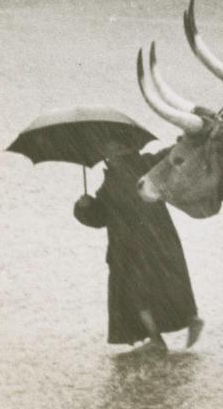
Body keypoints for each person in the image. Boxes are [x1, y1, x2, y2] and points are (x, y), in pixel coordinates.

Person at [73, 144, 203, 353]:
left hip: (137, 246)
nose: (109, 153)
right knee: (161, 285)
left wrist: (185, 142)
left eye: (113, 149)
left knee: (141, 293)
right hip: (147, 243)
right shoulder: (116, 180)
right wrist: (85, 207)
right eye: (107, 150)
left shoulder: (137, 169)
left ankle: (162, 337)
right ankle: (185, 322)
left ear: (124, 149)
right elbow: (100, 218)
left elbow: (169, 155)